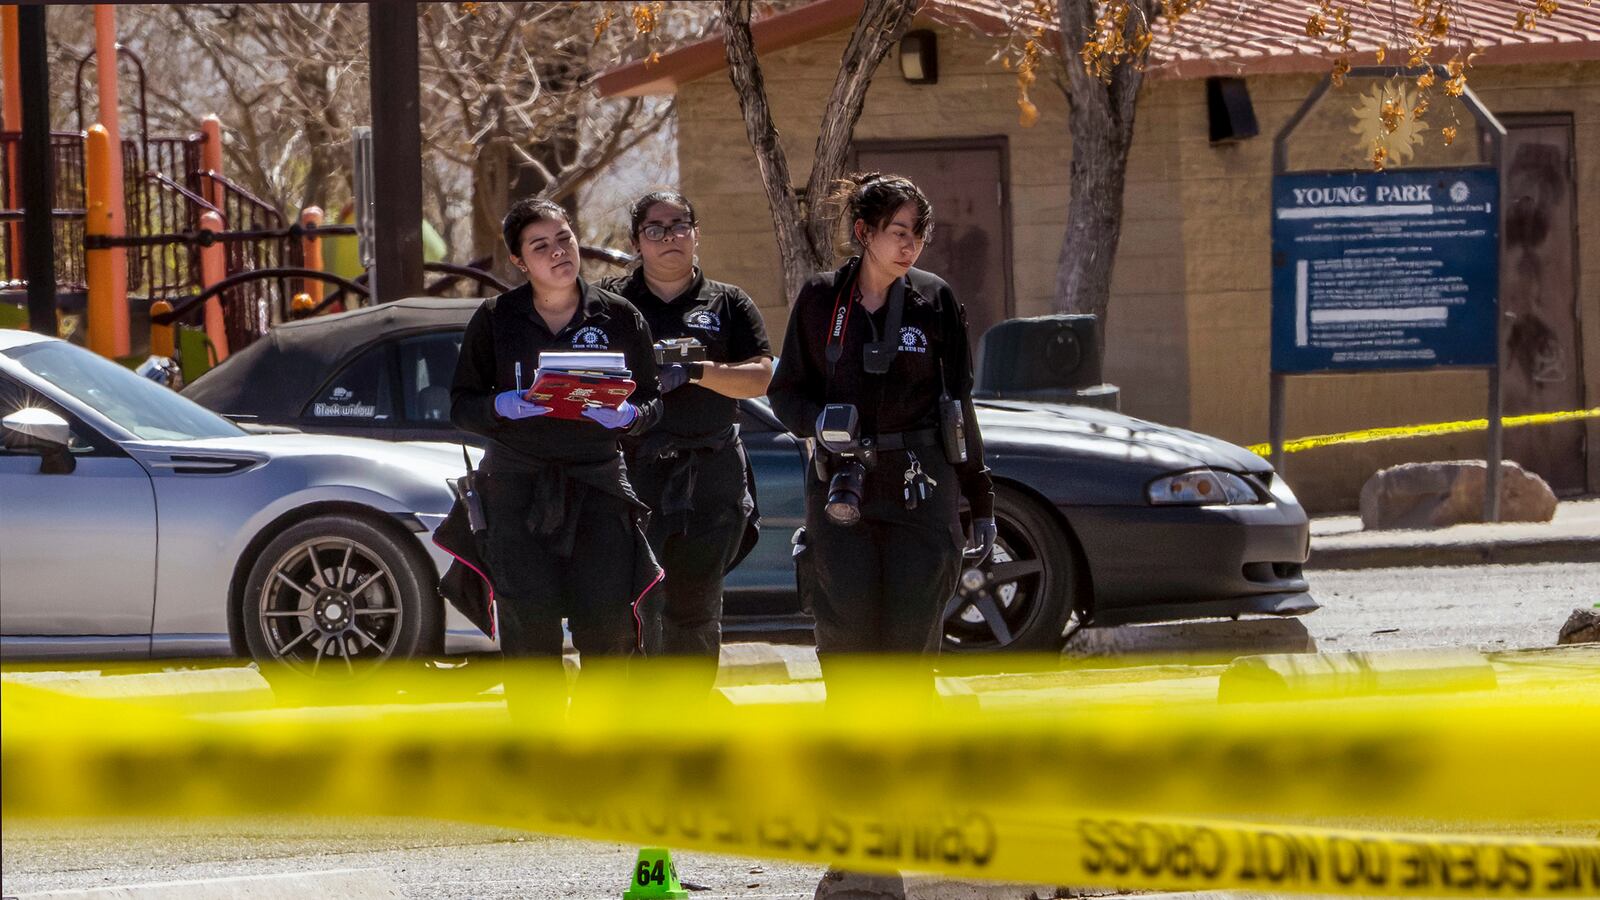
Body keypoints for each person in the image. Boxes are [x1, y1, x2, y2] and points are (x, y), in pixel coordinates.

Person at [766, 172, 996, 692]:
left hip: (920, 489)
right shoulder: (822, 298)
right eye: (898, 230)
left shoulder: (934, 299)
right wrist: (819, 423)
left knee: (910, 648)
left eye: (919, 231)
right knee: (846, 645)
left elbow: (959, 404)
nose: (910, 243)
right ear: (864, 232)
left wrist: (980, 500)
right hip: (840, 490)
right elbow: (785, 393)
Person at [449, 197, 663, 718]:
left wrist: (628, 417)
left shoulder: (618, 315)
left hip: (598, 487)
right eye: (540, 246)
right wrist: (505, 405)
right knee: (529, 627)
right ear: (520, 262)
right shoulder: (497, 319)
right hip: (517, 489)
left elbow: (653, 400)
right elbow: (461, 405)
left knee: (608, 625)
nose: (558, 253)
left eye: (564, 238)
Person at [600, 190, 773, 694]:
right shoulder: (611, 303)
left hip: (710, 474)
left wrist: (696, 371)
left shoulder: (729, 302)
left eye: (680, 225)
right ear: (637, 241)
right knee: (633, 604)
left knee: (695, 610)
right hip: (634, 474)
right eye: (655, 228)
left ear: (697, 234)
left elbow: (759, 377)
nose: (669, 236)